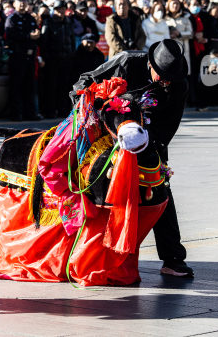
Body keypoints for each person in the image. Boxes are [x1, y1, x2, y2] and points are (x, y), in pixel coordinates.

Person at [71, 39, 193, 278]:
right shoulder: (127, 62)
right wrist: (90, 111)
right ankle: (83, 250)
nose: (166, 82)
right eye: (162, 76)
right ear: (150, 64)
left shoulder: (178, 84)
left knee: (160, 190)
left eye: (171, 78)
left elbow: (169, 124)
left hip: (148, 138)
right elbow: (84, 82)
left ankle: (173, 258)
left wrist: (148, 144)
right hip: (105, 135)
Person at [5, 0, 41, 120]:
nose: (22, 4)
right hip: (17, 57)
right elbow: (10, 35)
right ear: (14, 4)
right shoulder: (12, 18)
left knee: (29, 86)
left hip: (30, 58)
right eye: (19, 1)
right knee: (16, 86)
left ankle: (30, 113)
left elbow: (35, 33)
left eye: (24, 1)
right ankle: (16, 114)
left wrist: (36, 35)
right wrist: (28, 36)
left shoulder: (30, 18)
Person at [39, 0, 75, 118]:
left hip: (67, 59)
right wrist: (44, 58)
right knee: (51, 86)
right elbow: (44, 42)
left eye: (63, 9)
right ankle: (50, 111)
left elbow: (72, 40)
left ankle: (63, 110)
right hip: (52, 60)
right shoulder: (48, 22)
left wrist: (72, 55)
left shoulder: (68, 22)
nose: (60, 11)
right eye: (58, 9)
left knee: (64, 86)